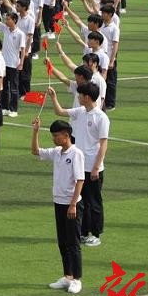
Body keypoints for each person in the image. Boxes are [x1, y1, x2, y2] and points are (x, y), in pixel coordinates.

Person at [47, 82, 109, 247]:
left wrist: (96, 167)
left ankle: (96, 233)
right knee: (82, 201)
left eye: (80, 95)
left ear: (87, 97)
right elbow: (59, 112)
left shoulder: (101, 117)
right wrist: (53, 97)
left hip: (93, 166)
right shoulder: (81, 111)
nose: (78, 97)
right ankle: (83, 232)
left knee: (94, 201)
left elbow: (103, 144)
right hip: (79, 165)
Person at [31, 118, 85, 294]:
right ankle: (67, 276)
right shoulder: (57, 152)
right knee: (62, 242)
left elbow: (80, 180)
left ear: (66, 135)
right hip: (58, 202)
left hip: (71, 204)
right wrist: (36, 131)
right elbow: (35, 151)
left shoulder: (76, 154)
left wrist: (73, 205)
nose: (54, 139)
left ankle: (77, 279)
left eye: (56, 135)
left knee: (73, 243)